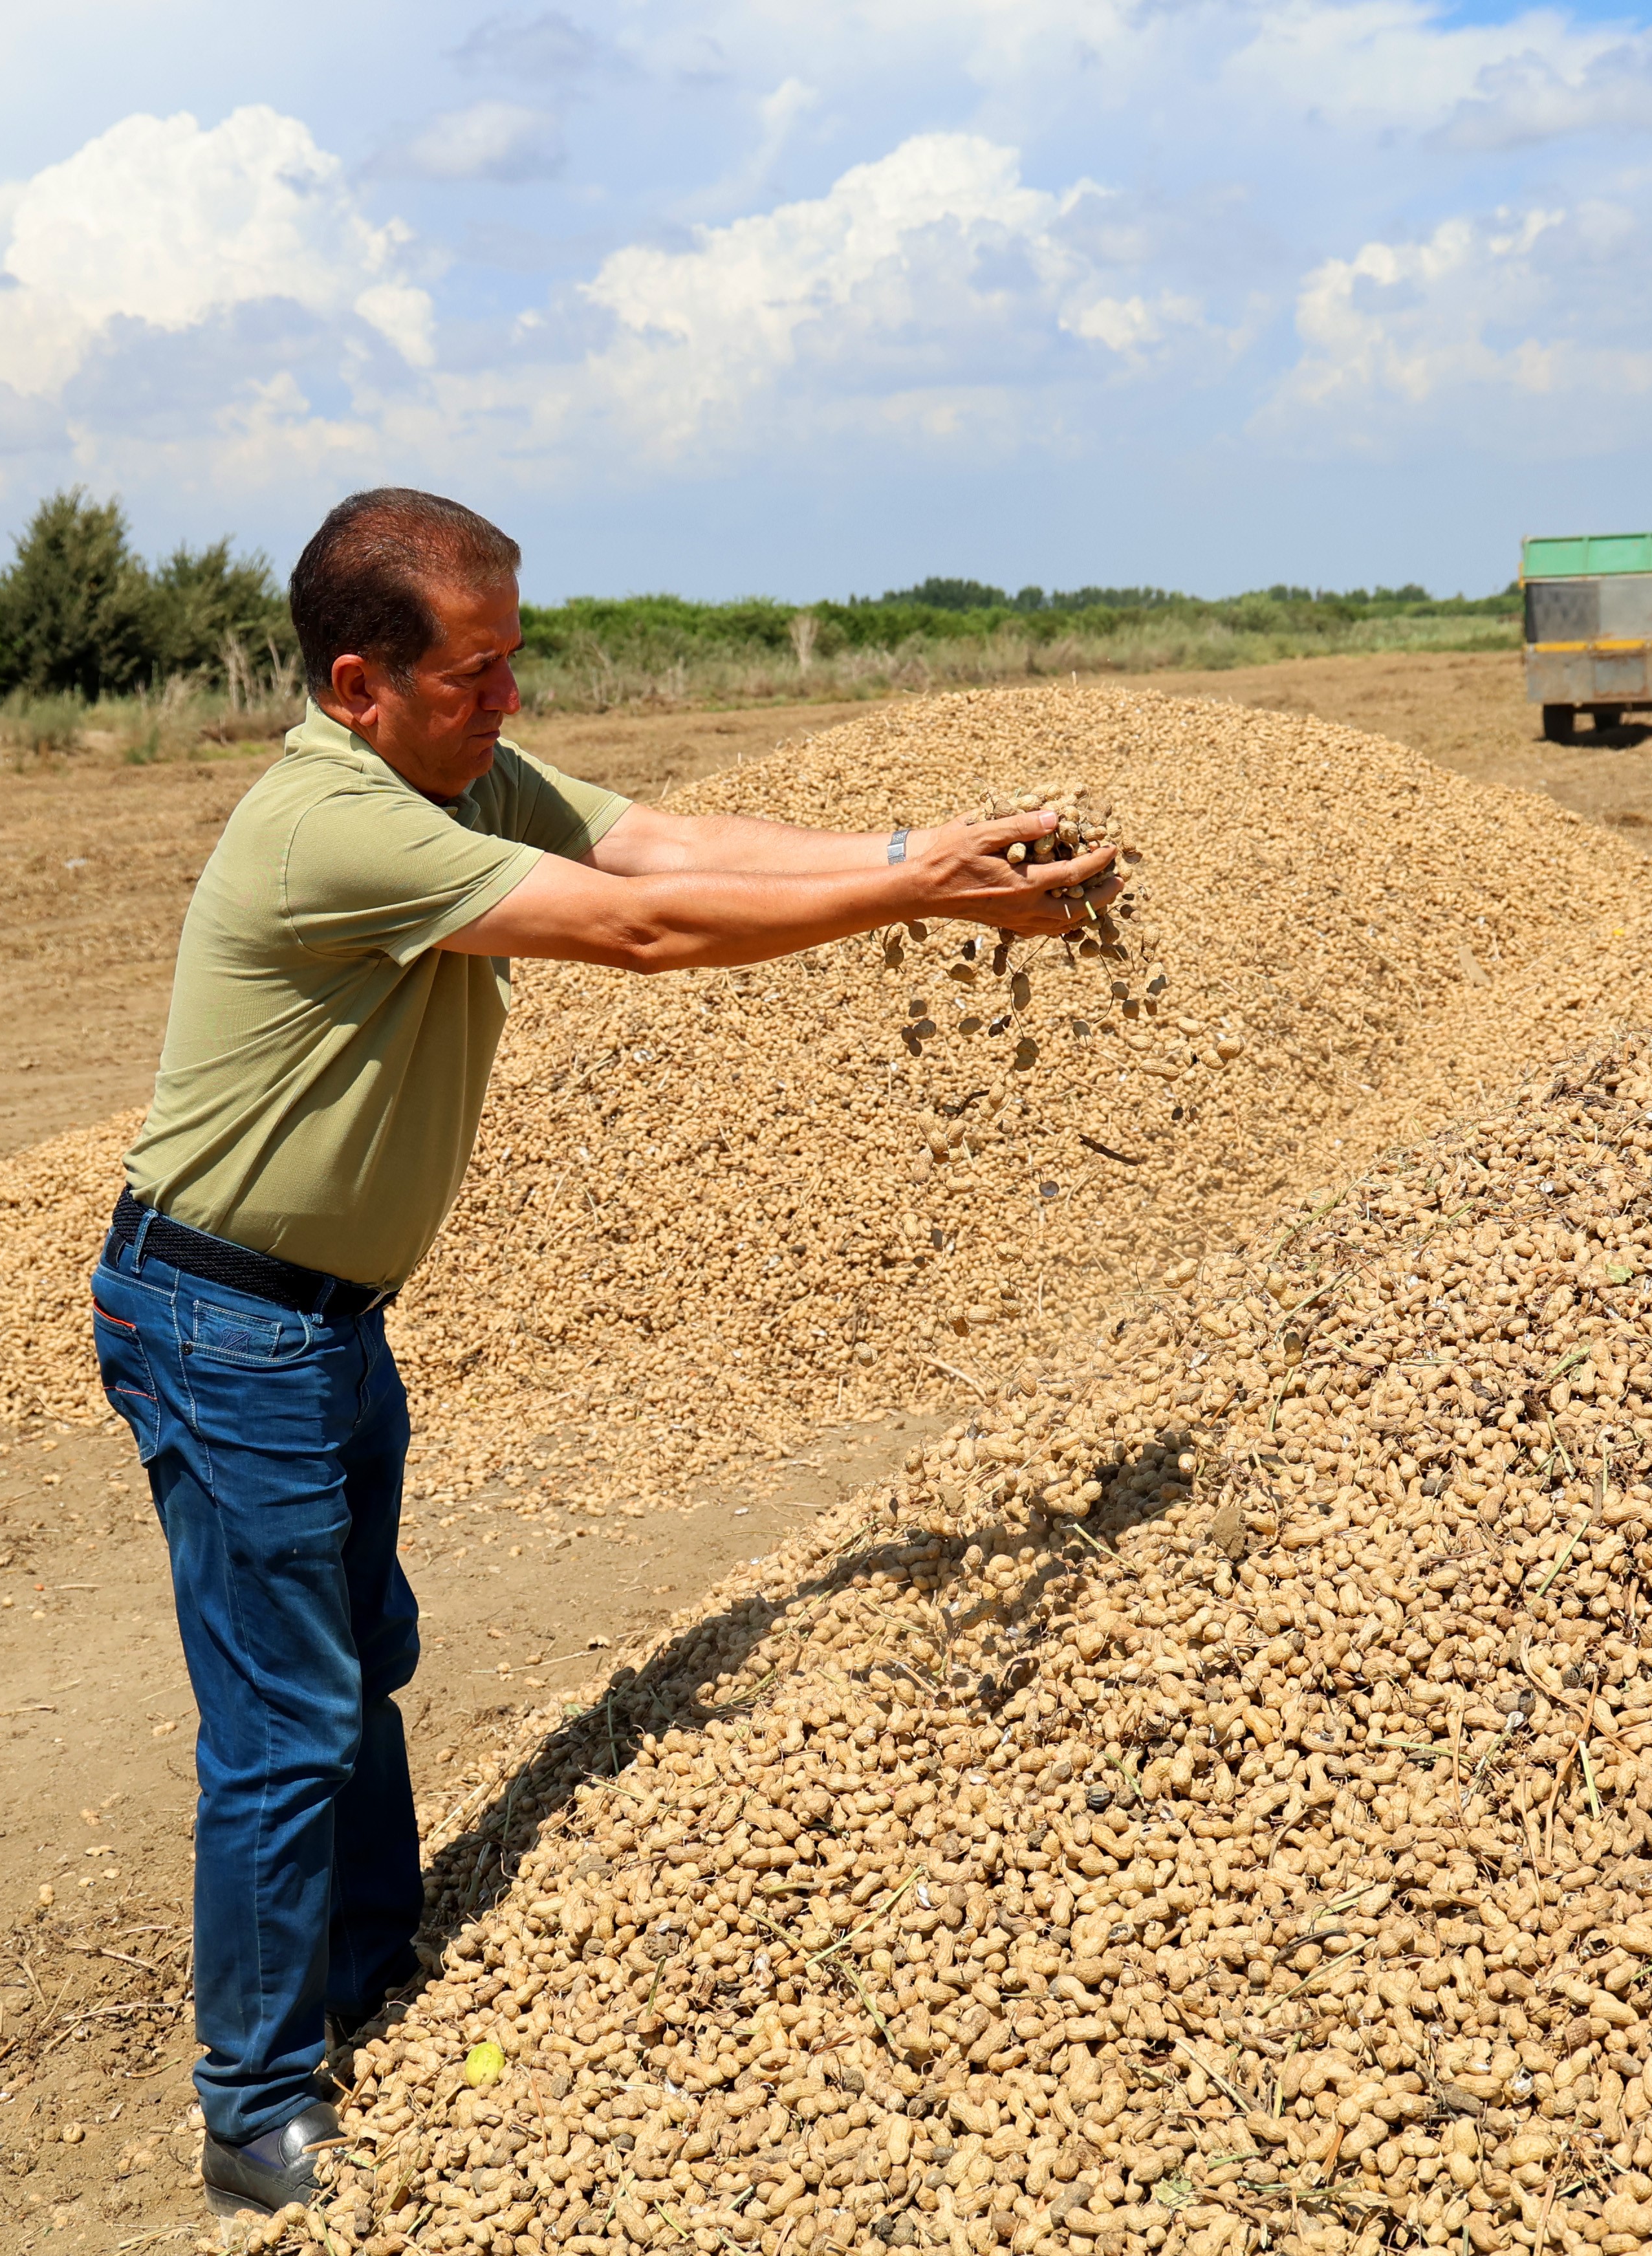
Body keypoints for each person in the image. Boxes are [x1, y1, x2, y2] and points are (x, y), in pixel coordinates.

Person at [89, 488, 1113, 2218]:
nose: (508, 705)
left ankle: (373, 1970)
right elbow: (636, 934)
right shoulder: (333, 827)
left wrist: (910, 853)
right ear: (359, 684)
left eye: (514, 662)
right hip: (222, 1318)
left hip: (319, 1313)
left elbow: (654, 847)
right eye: (474, 677)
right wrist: (911, 897)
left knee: (360, 1655)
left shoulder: (455, 772)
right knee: (286, 1714)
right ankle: (255, 2107)